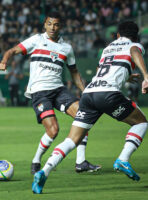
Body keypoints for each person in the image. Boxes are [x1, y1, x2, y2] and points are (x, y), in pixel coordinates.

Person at [32, 21, 148, 194]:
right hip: (108, 94)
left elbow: (103, 69)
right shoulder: (134, 44)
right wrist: (146, 76)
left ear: (117, 35)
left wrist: (126, 76)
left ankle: (44, 171)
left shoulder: (108, 49)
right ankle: (123, 159)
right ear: (135, 36)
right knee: (141, 123)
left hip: (89, 94)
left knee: (72, 140)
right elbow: (134, 51)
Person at [0, 12, 100, 174]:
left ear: (61, 26)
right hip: (40, 91)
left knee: (83, 117)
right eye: (50, 24)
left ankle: (80, 162)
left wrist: (85, 92)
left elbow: (74, 73)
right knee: (53, 130)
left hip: (59, 90)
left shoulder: (66, 48)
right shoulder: (36, 40)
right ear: (45, 25)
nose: (53, 27)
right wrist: (4, 61)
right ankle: (36, 160)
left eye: (56, 24)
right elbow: (11, 51)